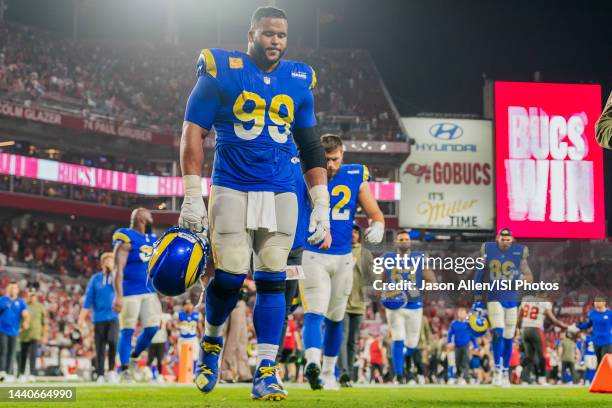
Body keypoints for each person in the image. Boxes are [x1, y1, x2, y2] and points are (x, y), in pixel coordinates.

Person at [179, 5, 330, 400]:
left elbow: (312, 146)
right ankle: (211, 342)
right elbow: (192, 133)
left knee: (272, 277)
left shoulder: (299, 79)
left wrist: (321, 204)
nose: (275, 41)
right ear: (251, 35)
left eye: (281, 35)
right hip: (232, 185)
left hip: (281, 188)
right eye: (268, 34)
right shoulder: (220, 68)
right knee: (228, 277)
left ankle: (266, 368)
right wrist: (193, 195)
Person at [301, 133, 385, 391]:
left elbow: (374, 211)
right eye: (326, 159)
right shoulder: (306, 171)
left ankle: (328, 373)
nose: (331, 165)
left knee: (336, 317)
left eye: (335, 159)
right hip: (313, 253)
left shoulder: (355, 175)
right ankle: (313, 364)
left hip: (344, 257)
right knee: (315, 311)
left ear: (342, 155)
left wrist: (379, 224)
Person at [472, 228, 533, 387]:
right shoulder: (488, 251)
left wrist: (521, 278)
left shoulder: (519, 255)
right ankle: (497, 370)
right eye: (502, 238)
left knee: (508, 337)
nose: (505, 241)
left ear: (512, 240)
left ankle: (505, 371)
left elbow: (529, 277)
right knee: (498, 332)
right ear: (497, 239)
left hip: (512, 300)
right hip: (495, 298)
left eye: (508, 239)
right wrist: (478, 298)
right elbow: (479, 274)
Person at [111, 208, 160, 382]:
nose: (151, 216)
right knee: (127, 330)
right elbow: (117, 268)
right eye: (148, 213)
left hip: (149, 290)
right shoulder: (125, 236)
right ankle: (124, 370)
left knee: (153, 328)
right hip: (129, 291)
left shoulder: (151, 238)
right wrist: (118, 295)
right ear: (140, 217)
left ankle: (134, 357)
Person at [381, 230, 435, 384]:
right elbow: (380, 280)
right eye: (401, 239)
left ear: (410, 242)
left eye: (406, 239)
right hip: (394, 305)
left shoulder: (419, 257)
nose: (404, 241)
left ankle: (400, 362)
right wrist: (384, 295)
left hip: (414, 304)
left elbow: (431, 279)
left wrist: (424, 290)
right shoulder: (388, 258)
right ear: (396, 242)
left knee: (412, 343)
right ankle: (399, 374)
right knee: (398, 338)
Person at [338, 224, 373, 386]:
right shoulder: (340, 250)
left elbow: (372, 279)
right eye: (350, 231)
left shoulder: (366, 254)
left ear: (359, 235)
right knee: (343, 338)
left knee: (353, 340)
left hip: (359, 303)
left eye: (356, 232)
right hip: (341, 301)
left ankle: (350, 375)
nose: (353, 234)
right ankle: (343, 373)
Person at [79, 252, 119, 383]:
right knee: (99, 347)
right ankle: (100, 374)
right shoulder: (95, 279)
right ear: (102, 263)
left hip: (113, 316)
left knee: (113, 342)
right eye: (107, 261)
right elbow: (88, 299)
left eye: (112, 261)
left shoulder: (117, 278)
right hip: (98, 318)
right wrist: (82, 317)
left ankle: (112, 371)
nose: (109, 263)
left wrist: (113, 273)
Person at [518, 292, 567, 385]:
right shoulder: (544, 303)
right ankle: (542, 378)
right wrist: (564, 326)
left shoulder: (526, 300)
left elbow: (519, 317)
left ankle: (519, 370)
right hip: (536, 329)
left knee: (529, 356)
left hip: (525, 330)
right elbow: (553, 320)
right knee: (543, 355)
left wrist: (518, 329)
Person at [570, 296, 611, 368]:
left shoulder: (610, 314)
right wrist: (578, 325)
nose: (596, 303)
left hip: (607, 341)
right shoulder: (592, 313)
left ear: (604, 303)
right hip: (596, 341)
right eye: (595, 302)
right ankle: (600, 378)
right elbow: (588, 325)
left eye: (598, 301)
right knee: (599, 362)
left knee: (606, 360)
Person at [0, 282, 29, 382]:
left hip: (14, 330)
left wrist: (26, 322)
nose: (13, 290)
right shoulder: (2, 300)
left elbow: (25, 314)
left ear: (17, 290)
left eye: (15, 288)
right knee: (3, 350)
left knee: (11, 352)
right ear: (8, 289)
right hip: (2, 329)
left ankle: (8, 373)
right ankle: (2, 371)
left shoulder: (20, 302)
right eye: (12, 288)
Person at [18, 287, 48, 382]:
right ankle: (21, 373)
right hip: (23, 335)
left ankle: (32, 374)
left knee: (33, 355)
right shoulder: (23, 305)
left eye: (33, 295)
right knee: (22, 355)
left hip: (35, 335)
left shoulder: (40, 307)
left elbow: (44, 323)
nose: (32, 297)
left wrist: (44, 336)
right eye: (30, 295)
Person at [447, 307, 479, 385]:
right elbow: (450, 334)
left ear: (465, 314)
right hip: (457, 346)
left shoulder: (469, 324)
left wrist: (476, 346)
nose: (461, 314)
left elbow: (472, 336)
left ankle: (466, 378)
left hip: (466, 346)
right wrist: (449, 342)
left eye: (463, 313)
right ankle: (457, 377)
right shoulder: (454, 324)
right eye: (460, 313)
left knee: (465, 362)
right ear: (458, 314)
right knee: (457, 362)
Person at [176, 299, 203, 374]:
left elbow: (200, 327)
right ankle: (183, 373)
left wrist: (201, 336)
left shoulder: (197, 314)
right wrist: (180, 327)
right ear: (183, 306)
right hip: (183, 338)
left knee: (195, 356)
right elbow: (175, 326)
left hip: (193, 338)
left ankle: (194, 373)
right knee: (181, 356)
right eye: (186, 304)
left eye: (190, 304)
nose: (188, 306)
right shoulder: (179, 314)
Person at [148, 310, 172, 383]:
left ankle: (155, 375)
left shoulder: (152, 314)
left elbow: (169, 327)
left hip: (157, 339)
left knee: (154, 359)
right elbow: (169, 327)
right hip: (157, 339)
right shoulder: (165, 316)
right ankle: (156, 375)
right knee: (157, 359)